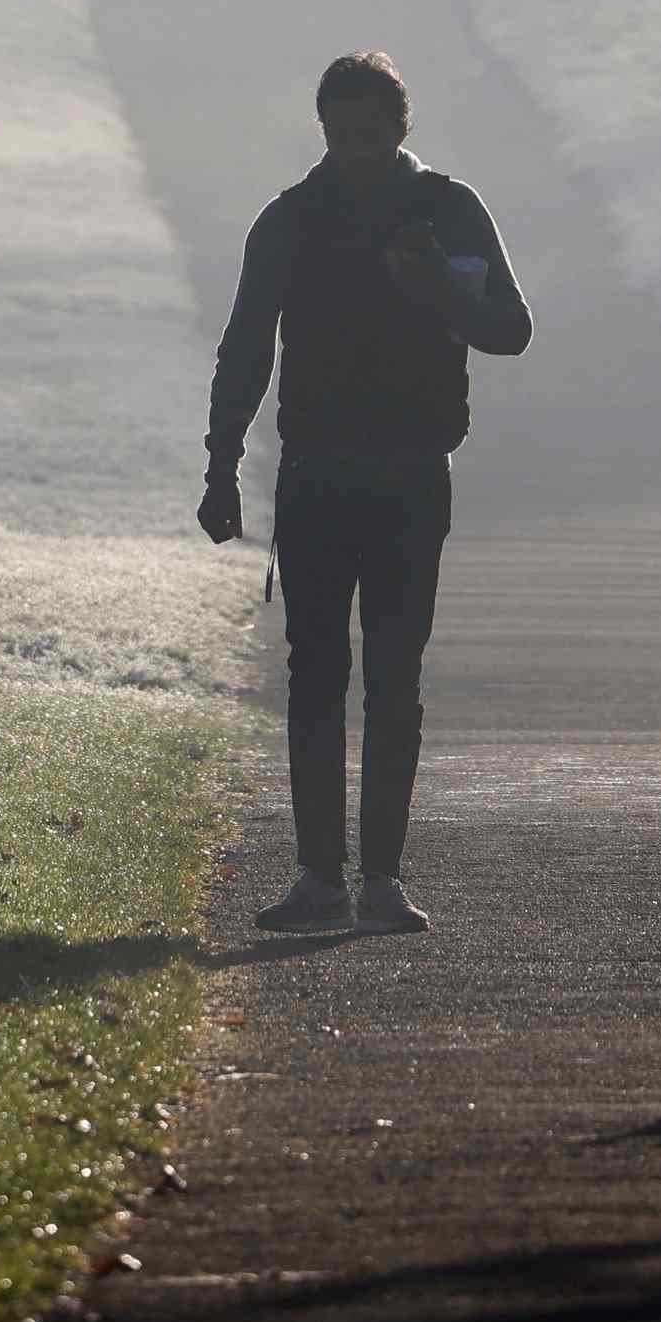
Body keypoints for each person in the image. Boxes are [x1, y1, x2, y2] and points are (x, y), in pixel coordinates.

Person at [198, 48, 531, 934]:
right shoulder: (291, 219)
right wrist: (220, 464)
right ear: (322, 132)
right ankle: (318, 878)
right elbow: (244, 348)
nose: (353, 151)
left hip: (412, 478)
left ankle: (380, 879)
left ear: (400, 128)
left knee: (393, 677)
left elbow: (513, 330)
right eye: (338, 135)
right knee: (315, 677)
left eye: (369, 135)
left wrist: (435, 291)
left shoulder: (448, 211)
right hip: (313, 479)